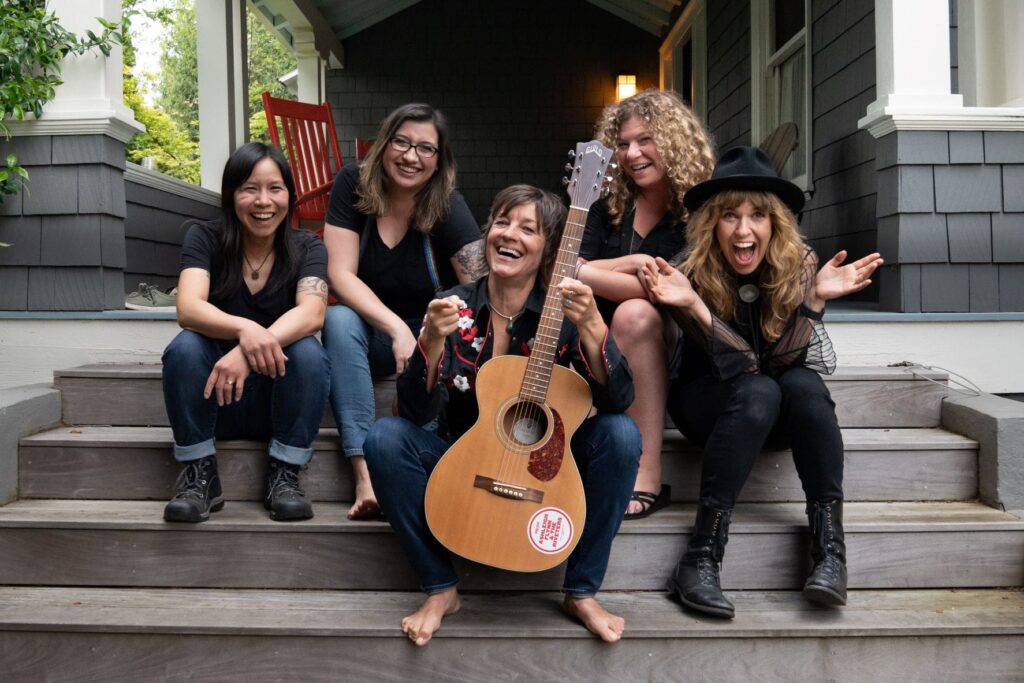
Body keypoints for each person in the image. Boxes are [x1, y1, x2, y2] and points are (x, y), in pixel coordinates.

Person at [362, 185, 641, 646]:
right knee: (385, 440)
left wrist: (594, 329)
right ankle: (441, 588)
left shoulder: (569, 313)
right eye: (502, 222)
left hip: (544, 470)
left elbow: (618, 401)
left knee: (622, 435)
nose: (509, 235)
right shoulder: (454, 306)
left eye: (528, 228)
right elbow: (413, 413)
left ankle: (582, 590)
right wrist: (429, 341)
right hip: (465, 464)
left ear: (550, 247)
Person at [642, 146, 883, 617]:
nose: (744, 229)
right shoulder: (688, 272)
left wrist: (813, 301)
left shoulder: (798, 265)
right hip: (707, 405)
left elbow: (783, 362)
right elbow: (746, 369)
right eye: (730, 215)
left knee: (804, 387)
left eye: (757, 215)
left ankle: (831, 551)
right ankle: (700, 559)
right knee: (761, 389)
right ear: (713, 222)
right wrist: (693, 307)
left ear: (776, 224)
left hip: (769, 404)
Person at [322, 103, 486, 520]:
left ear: (439, 161)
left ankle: (417, 472)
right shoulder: (352, 185)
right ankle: (365, 475)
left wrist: (430, 332)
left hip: (429, 337)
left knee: (448, 336)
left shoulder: (447, 204)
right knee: (337, 319)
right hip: (372, 330)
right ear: (384, 144)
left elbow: (478, 285)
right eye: (402, 142)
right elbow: (340, 275)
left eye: (426, 149)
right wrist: (395, 326)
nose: (411, 157)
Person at [162, 142, 330, 523]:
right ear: (231, 194)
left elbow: (313, 312)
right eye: (249, 188)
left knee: (309, 353)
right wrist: (246, 328)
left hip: (278, 403)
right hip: (214, 399)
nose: (263, 201)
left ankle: (284, 475)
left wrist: (244, 351)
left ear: (290, 194)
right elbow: (188, 308)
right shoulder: (204, 237)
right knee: (185, 348)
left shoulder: (307, 246)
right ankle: (199, 476)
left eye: (275, 188)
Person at [578, 89, 715, 519]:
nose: (632, 153)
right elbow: (562, 265)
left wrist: (586, 272)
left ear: (673, 141)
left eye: (645, 140)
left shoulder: (701, 210)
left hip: (675, 343)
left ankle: (645, 472)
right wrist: (629, 263)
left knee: (636, 313)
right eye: (622, 144)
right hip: (592, 338)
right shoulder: (606, 202)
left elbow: (668, 288)